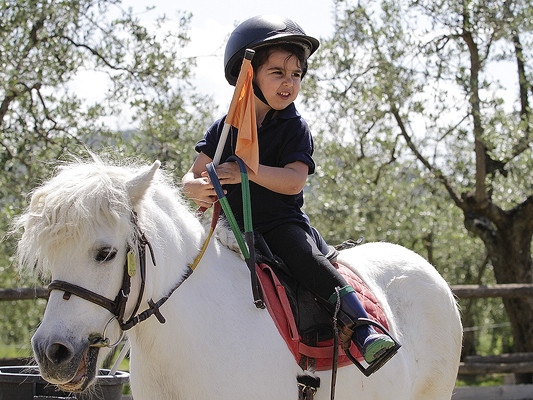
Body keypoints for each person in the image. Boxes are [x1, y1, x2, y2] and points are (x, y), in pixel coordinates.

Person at [182, 15, 397, 367]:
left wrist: (245, 173)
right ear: (247, 76)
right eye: (278, 73)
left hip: (279, 224)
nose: (289, 83)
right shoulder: (226, 128)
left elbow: (294, 180)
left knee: (302, 256)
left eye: (295, 74)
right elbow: (190, 177)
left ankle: (362, 326)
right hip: (226, 226)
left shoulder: (295, 126)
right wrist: (198, 187)